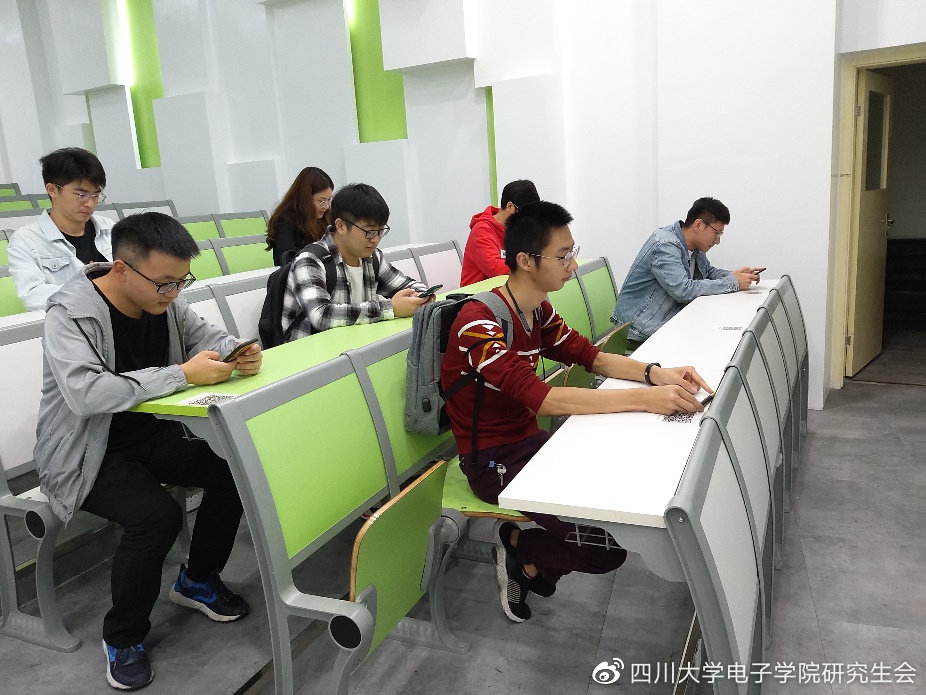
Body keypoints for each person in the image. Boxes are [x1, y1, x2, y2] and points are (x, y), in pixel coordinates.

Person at [441, 201, 711, 622]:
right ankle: (524, 551)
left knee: (615, 505)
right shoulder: (479, 323)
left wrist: (656, 373)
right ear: (526, 260)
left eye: (573, 252)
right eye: (563, 255)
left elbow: (591, 357)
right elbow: (543, 399)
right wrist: (645, 398)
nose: (573, 264)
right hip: (491, 463)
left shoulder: (537, 310)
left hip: (533, 446)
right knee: (605, 549)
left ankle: (524, 556)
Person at [34, 212, 262, 690]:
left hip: (146, 434)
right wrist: (180, 375)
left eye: (181, 282)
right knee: (156, 516)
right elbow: (86, 394)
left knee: (232, 472)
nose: (174, 293)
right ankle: (122, 637)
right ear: (121, 269)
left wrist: (239, 350)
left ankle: (197, 580)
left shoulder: (165, 300)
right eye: (164, 283)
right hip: (84, 450)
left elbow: (208, 337)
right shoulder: (70, 313)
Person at [281, 182, 432, 339]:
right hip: (312, 351)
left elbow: (406, 284)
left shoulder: (371, 257)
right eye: (370, 232)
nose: (376, 239)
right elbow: (322, 316)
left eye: (381, 231)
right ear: (340, 226)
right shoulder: (310, 260)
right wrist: (391, 308)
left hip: (356, 345)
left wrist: (421, 297)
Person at [611, 197, 764, 346]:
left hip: (665, 321)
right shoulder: (666, 245)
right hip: (639, 330)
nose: (717, 241)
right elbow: (683, 290)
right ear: (698, 224)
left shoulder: (694, 246)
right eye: (717, 233)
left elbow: (707, 272)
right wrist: (733, 282)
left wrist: (737, 276)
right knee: (714, 341)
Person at [8, 147, 115, 311]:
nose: (90, 203)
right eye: (81, 195)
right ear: (52, 190)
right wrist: (97, 289)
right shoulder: (26, 240)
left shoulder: (109, 228)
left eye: (95, 195)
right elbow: (33, 295)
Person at [459, 179, 540, 286]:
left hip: (509, 289)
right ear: (510, 207)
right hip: (478, 294)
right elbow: (497, 270)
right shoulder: (481, 231)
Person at [265, 166, 335, 266]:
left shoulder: (324, 218)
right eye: (322, 201)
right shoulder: (285, 221)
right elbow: (289, 259)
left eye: (329, 200)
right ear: (306, 198)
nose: (327, 206)